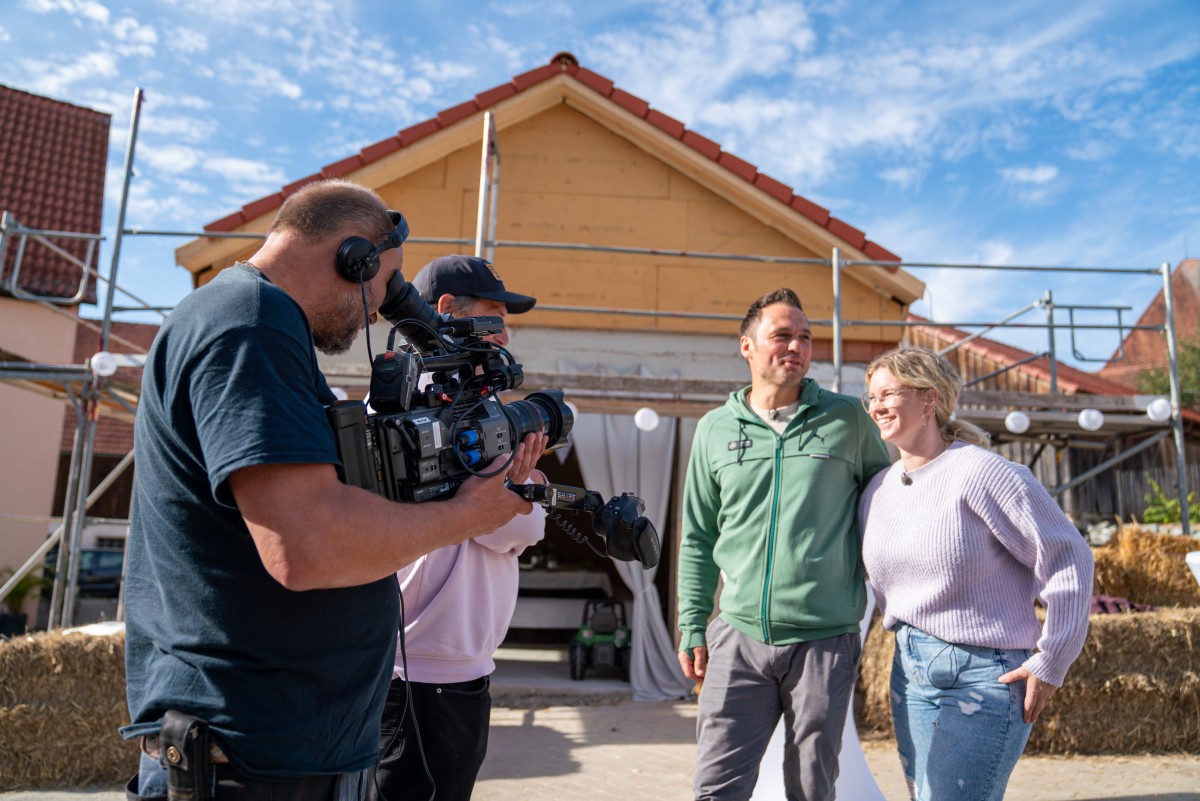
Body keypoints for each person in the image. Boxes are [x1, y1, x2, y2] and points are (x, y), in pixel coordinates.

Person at [121, 179, 545, 800]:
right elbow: (308, 546)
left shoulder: (254, 322)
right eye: (384, 284)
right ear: (355, 257)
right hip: (247, 762)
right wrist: (468, 513)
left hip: (269, 754)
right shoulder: (250, 324)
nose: (379, 311)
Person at [677, 287, 892, 801]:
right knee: (716, 787)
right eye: (781, 336)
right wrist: (691, 624)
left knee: (811, 788)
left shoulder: (848, 421)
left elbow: (888, 514)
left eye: (805, 338)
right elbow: (697, 536)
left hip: (825, 639)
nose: (795, 346)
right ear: (748, 347)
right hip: (737, 636)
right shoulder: (714, 429)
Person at [857, 345, 1094, 801]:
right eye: (871, 397)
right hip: (909, 669)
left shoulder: (983, 473)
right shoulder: (879, 490)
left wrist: (1052, 659)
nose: (876, 406)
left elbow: (1070, 557)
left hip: (984, 674)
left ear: (930, 399)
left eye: (888, 393)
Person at [367, 254, 547, 801]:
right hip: (419, 674)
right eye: (495, 315)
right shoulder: (405, 416)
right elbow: (508, 525)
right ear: (448, 311)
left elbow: (525, 521)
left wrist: (513, 495)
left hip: (450, 668)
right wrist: (510, 490)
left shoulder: (475, 410)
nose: (505, 333)